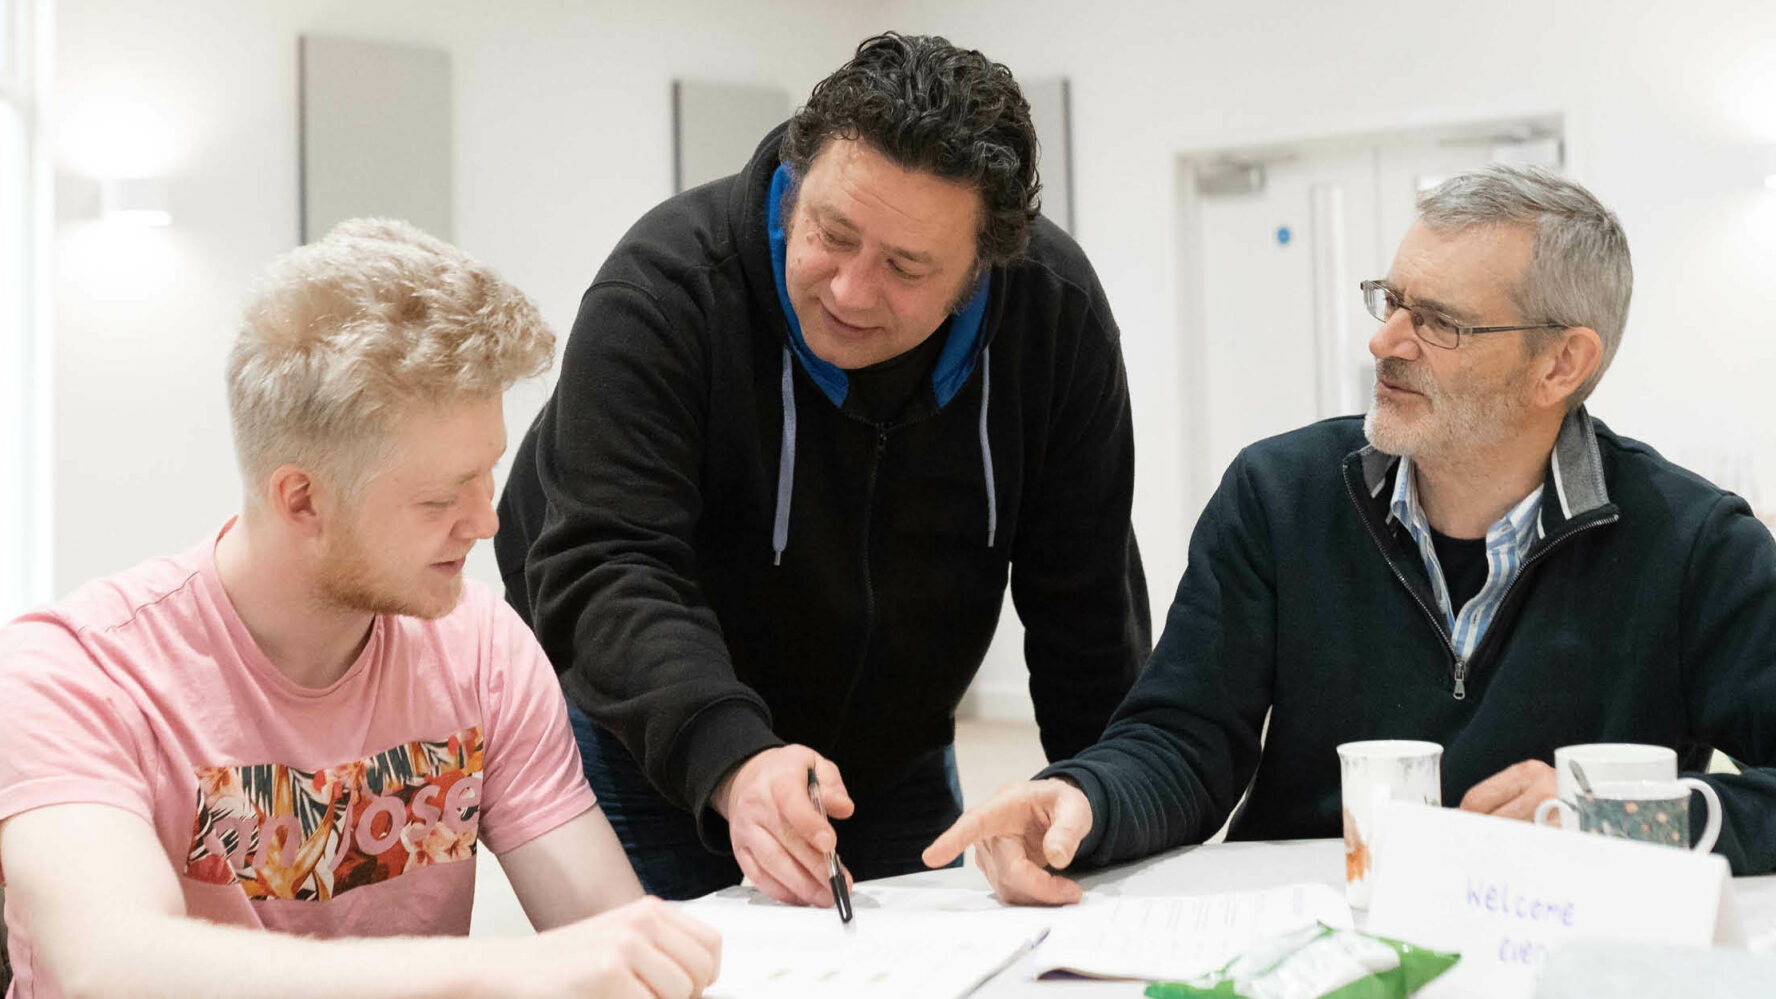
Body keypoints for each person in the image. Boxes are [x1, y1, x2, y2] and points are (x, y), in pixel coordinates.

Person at [923, 164, 1776, 904]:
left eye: (1439, 322)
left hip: (1551, 952)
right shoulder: (1278, 495)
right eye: (1393, 301)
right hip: (1304, 937)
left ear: (1562, 363)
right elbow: (1184, 739)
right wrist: (1084, 796)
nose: (1384, 341)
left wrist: (1618, 819)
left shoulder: (1695, 545)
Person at [495, 32, 1150, 906]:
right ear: (795, 183)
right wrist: (732, 757)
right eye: (831, 235)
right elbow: (606, 565)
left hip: (890, 751)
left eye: (906, 267)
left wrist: (1098, 800)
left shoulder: (1054, 320)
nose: (848, 290)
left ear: (982, 267)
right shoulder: (667, 292)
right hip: (659, 737)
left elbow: (1086, 602)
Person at [0, 220, 720, 999]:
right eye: (441, 497)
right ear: (301, 499)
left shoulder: (481, 649)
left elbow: (606, 930)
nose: (487, 523)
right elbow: (114, 967)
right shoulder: (71, 673)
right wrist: (499, 970)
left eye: (487, 476)